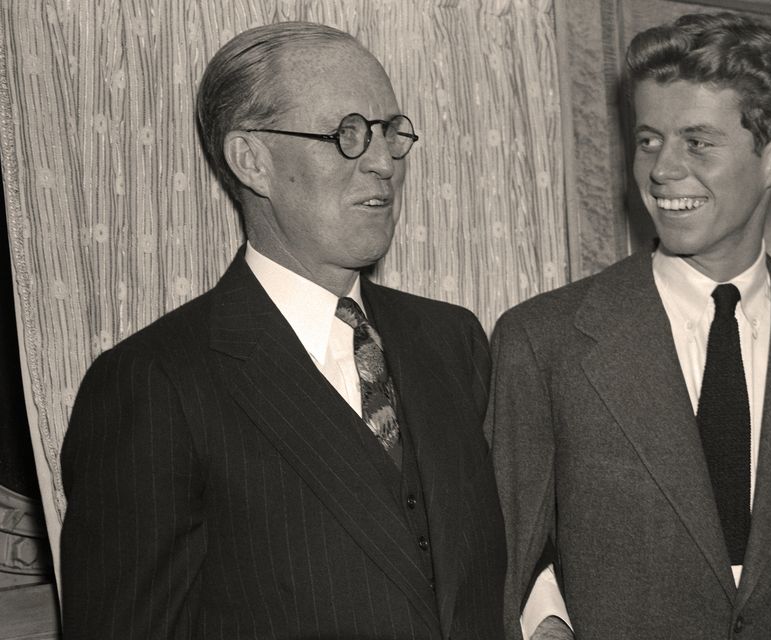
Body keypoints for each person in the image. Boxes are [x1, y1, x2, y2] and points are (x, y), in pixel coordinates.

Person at [60, 22, 505, 639]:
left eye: (390, 132)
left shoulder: (454, 341)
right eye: (347, 134)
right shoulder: (155, 382)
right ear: (252, 162)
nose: (382, 162)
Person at [486, 12, 771, 640]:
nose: (662, 170)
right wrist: (545, 620)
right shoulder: (542, 340)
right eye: (649, 139)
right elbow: (506, 558)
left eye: (698, 142)